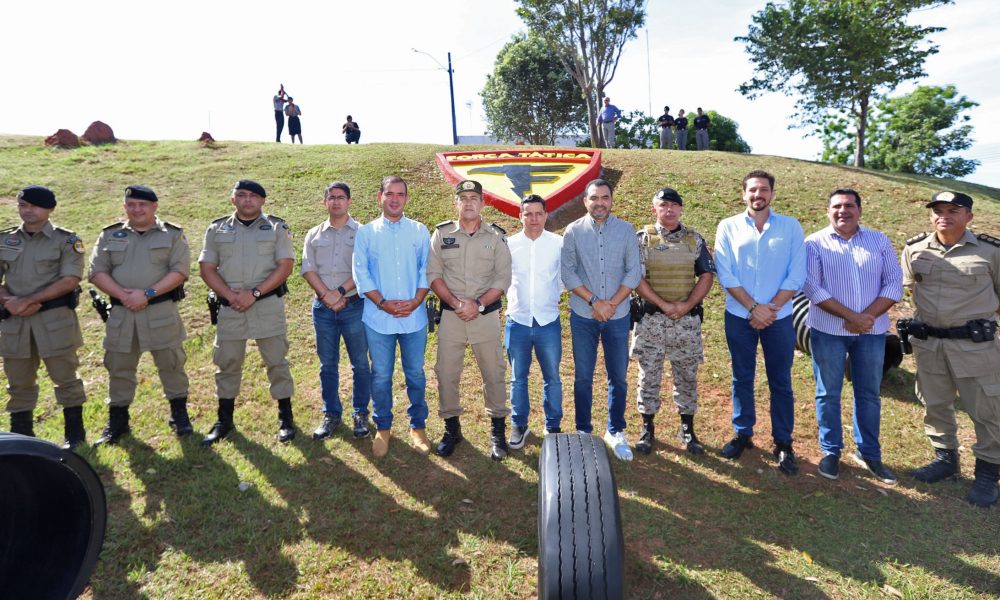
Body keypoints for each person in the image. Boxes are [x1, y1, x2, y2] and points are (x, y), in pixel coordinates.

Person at [902, 191, 1000, 507]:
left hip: (975, 348)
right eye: (939, 210)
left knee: (987, 411)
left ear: (969, 216)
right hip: (929, 344)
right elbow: (903, 288)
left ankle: (987, 474)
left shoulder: (990, 251)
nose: (944, 215)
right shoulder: (914, 249)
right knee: (935, 404)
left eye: (954, 210)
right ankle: (945, 460)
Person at [803, 189, 902, 483]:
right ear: (827, 210)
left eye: (849, 206)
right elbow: (811, 287)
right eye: (836, 206)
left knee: (869, 394)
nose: (842, 211)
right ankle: (831, 451)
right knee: (828, 392)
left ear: (859, 209)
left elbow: (894, 283)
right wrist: (851, 317)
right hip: (828, 330)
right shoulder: (814, 243)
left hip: (872, 332)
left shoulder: (879, 241)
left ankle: (869, 452)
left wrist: (866, 317)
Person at [714, 170, 806, 475]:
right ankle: (743, 433)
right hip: (739, 316)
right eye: (752, 190)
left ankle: (783, 442)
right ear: (743, 194)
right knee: (742, 376)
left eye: (763, 190)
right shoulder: (727, 227)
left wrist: (772, 308)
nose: (758, 195)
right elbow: (725, 274)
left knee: (780, 381)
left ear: (772, 194)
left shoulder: (791, 227)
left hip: (779, 319)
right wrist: (754, 307)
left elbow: (796, 274)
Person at [89, 185, 193, 446]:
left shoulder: (172, 235)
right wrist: (125, 296)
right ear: (125, 206)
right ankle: (118, 421)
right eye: (131, 204)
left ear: (154, 206)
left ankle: (179, 414)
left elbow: (180, 271)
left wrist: (146, 293)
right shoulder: (110, 235)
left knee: (171, 364)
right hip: (122, 314)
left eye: (143, 205)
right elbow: (97, 272)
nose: (137, 209)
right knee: (119, 367)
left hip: (160, 311)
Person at [198, 180, 296, 445]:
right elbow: (207, 268)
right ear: (233, 199)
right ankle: (224, 420)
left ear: (263, 201)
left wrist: (253, 294)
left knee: (277, 361)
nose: (247, 200)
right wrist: (231, 296)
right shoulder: (217, 228)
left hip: (266, 305)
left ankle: (285, 418)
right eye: (241, 195)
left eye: (253, 196)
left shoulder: (276, 227)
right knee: (227, 363)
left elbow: (285, 265)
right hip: (231, 308)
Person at [428, 180, 512, 460]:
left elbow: (503, 278)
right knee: (446, 373)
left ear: (482, 203)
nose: (468, 203)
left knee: (494, 373)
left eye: (474, 197)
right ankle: (452, 429)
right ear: (456, 203)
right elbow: (434, 275)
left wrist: (478, 303)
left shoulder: (496, 236)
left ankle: (497, 430)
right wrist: (455, 303)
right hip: (452, 317)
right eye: (463, 198)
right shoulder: (441, 234)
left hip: (484, 316)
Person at [0, 185, 87, 449]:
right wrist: (9, 302)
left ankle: (75, 435)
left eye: (34, 206)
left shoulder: (66, 240)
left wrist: (28, 300)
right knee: (18, 381)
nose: (28, 211)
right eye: (23, 206)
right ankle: (22, 436)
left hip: (54, 321)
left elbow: (70, 279)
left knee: (66, 378)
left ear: (49, 209)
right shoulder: (4, 239)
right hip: (15, 322)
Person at [561, 178, 642, 461]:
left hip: (618, 317)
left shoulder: (626, 230)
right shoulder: (572, 232)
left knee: (618, 376)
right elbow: (568, 274)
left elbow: (634, 272)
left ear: (611, 200)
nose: (599, 203)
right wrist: (595, 302)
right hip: (584, 315)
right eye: (594, 198)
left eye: (605, 197)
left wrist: (612, 304)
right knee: (583, 377)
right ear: (585, 201)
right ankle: (584, 431)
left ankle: (615, 430)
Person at [352, 176, 432, 457]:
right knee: (381, 375)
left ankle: (418, 426)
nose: (395, 199)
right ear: (380, 197)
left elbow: (427, 270)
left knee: (415, 374)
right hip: (378, 318)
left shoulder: (420, 231)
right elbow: (361, 272)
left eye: (400, 194)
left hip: (414, 316)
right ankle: (383, 427)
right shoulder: (366, 233)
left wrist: (416, 300)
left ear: (407, 199)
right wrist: (383, 303)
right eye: (389, 194)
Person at [631, 188, 715, 455]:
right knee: (649, 376)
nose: (669, 209)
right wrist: (665, 304)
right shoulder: (642, 240)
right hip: (652, 320)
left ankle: (687, 429)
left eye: (674, 205)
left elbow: (706, 276)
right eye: (663, 205)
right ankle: (647, 428)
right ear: (654, 209)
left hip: (686, 323)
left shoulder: (695, 239)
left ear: (681, 209)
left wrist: (686, 305)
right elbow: (635, 279)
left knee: (687, 376)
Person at [301, 182, 370, 442]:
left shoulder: (362, 233)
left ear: (349, 202)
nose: (337, 202)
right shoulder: (313, 234)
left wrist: (338, 292)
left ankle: (361, 413)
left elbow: (363, 269)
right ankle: (331, 414)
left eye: (341, 198)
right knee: (327, 365)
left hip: (353, 306)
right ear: (325, 202)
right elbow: (308, 268)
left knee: (360, 363)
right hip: (323, 309)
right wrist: (326, 295)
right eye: (332, 198)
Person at [504, 194, 564, 448]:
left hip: (547, 321)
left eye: (539, 213)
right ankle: (519, 424)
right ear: (520, 216)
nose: (534, 218)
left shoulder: (558, 244)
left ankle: (553, 426)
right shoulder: (509, 244)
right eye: (528, 214)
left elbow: (563, 278)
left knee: (552, 376)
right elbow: (502, 277)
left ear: (546, 215)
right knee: (518, 377)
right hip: (517, 320)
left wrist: (549, 298)